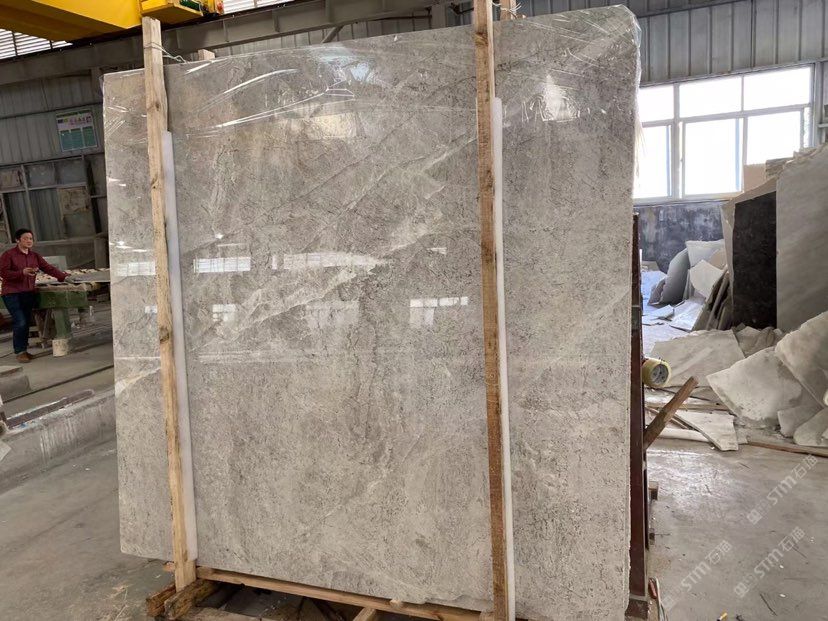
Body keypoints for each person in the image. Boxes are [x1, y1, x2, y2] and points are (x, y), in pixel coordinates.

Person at [0, 229, 72, 363]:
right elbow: (3, 273)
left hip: (28, 292)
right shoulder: (8, 255)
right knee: (20, 322)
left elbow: (48, 268)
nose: (29, 241)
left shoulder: (34, 256)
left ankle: (23, 350)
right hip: (12, 293)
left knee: (26, 322)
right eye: (25, 238)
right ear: (17, 240)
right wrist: (21, 272)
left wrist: (62, 276)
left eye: (31, 238)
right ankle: (20, 352)